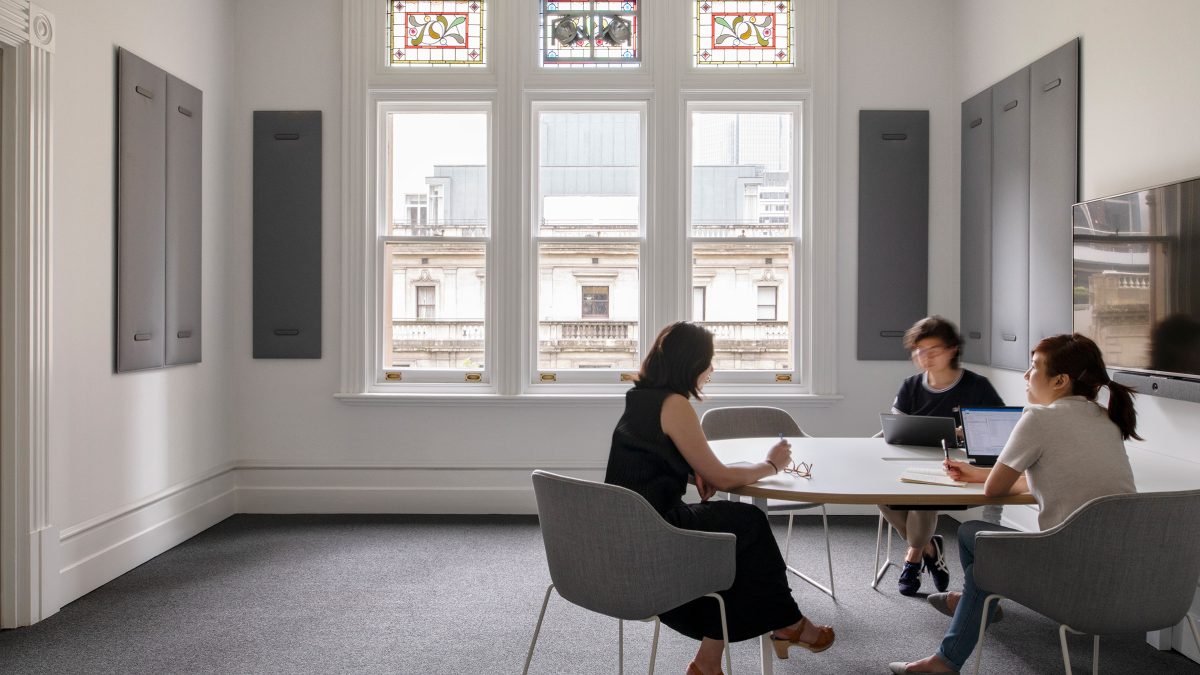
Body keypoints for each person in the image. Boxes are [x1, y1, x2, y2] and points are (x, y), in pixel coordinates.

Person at [889, 333, 1139, 674]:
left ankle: (959, 640)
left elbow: (995, 490)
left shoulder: (1039, 418)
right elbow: (1055, 478)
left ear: (1061, 380)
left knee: (972, 534)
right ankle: (975, 610)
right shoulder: (1105, 418)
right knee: (985, 558)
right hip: (1125, 566)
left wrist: (983, 477)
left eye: (1034, 367)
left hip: (1068, 568)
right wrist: (976, 473)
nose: (1025, 375)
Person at [605, 321, 835, 675]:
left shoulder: (639, 398)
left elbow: (643, 454)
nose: (712, 370)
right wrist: (771, 464)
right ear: (691, 363)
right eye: (709, 362)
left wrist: (688, 470)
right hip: (658, 529)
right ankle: (788, 623)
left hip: (628, 527)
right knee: (750, 524)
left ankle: (710, 661)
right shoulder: (675, 404)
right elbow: (724, 477)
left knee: (732, 543)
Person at [880, 316, 1004, 596]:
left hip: (957, 470)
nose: (924, 358)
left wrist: (966, 433)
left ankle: (914, 556)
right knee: (880, 495)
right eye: (918, 351)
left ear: (953, 350)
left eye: (932, 350)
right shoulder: (910, 386)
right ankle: (929, 548)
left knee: (921, 500)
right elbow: (895, 430)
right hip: (910, 466)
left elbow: (1000, 433)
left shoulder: (977, 386)